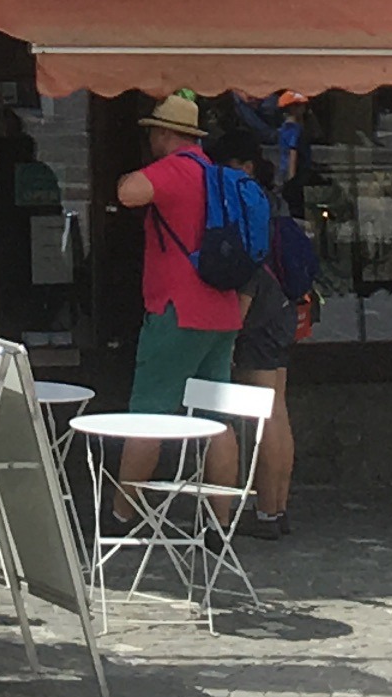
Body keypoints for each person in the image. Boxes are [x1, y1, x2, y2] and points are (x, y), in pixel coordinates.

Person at [113, 91, 246, 491]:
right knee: (216, 420)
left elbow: (128, 193)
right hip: (222, 311)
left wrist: (125, 176)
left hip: (178, 311)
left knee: (147, 417)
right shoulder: (215, 174)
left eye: (153, 131)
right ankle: (219, 525)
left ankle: (123, 518)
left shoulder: (174, 169)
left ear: (164, 134)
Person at [209, 107, 297, 538]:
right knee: (276, 410)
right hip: (280, 306)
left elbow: (244, 266)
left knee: (262, 413)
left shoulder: (241, 200)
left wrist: (226, 335)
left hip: (256, 307)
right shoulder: (270, 197)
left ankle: (264, 513)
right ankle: (276, 511)